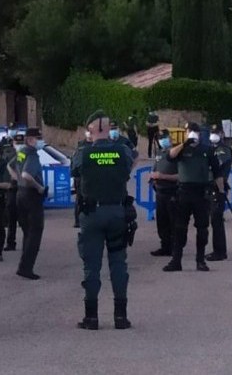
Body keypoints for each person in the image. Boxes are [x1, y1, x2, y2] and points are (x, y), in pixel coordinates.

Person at [73, 110, 137, 330]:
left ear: (90, 130)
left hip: (92, 214)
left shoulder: (83, 152)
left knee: (91, 266)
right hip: (117, 212)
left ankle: (91, 317)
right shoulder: (122, 151)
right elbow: (130, 166)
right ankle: (121, 316)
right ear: (109, 129)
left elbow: (75, 170)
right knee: (118, 264)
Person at [163, 122, 224, 273]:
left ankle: (200, 260)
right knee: (179, 228)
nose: (191, 133)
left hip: (201, 192)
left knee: (202, 229)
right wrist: (184, 144)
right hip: (183, 192)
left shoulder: (207, 150)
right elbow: (169, 156)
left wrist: (220, 193)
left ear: (199, 133)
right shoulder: (182, 149)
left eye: (193, 131)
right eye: (188, 131)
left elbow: (217, 173)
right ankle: (176, 260)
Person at [15, 127, 47, 280]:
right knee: (35, 232)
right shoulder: (32, 155)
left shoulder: (21, 152)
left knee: (27, 232)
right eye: (38, 138)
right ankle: (26, 268)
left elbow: (11, 166)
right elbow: (27, 174)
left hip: (20, 194)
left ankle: (23, 265)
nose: (40, 141)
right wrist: (39, 187)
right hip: (32, 196)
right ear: (30, 140)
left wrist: (19, 181)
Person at [206, 125, 232, 262]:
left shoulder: (223, 150)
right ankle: (215, 249)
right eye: (212, 133)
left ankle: (220, 251)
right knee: (212, 220)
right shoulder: (211, 149)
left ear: (221, 134)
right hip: (209, 187)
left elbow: (216, 166)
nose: (213, 135)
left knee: (217, 221)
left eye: (216, 133)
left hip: (218, 188)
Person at [148, 130, 178, 257]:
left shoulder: (175, 154)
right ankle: (165, 246)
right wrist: (153, 178)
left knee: (173, 221)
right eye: (160, 138)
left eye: (164, 138)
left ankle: (175, 248)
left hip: (172, 191)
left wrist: (163, 176)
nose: (162, 140)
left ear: (170, 138)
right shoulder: (159, 153)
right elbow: (155, 168)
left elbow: (181, 176)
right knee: (162, 221)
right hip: (160, 191)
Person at [4, 129, 26, 252]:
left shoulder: (25, 154)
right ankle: (10, 242)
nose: (19, 145)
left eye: (21, 142)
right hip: (12, 188)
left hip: (23, 189)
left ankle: (28, 242)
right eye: (17, 143)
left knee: (24, 219)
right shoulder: (9, 154)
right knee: (11, 218)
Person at [72, 131, 94, 229]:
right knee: (80, 199)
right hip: (81, 177)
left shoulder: (96, 144)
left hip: (91, 176)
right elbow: (75, 163)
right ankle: (78, 221)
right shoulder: (81, 145)